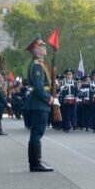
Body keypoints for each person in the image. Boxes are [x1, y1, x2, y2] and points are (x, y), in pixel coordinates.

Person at [23, 36, 57, 172]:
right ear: (36, 50)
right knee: (37, 133)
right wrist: (49, 99)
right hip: (39, 104)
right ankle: (36, 163)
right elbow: (38, 87)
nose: (45, 48)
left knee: (36, 133)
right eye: (42, 46)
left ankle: (35, 162)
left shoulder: (39, 64)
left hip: (38, 103)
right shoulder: (37, 65)